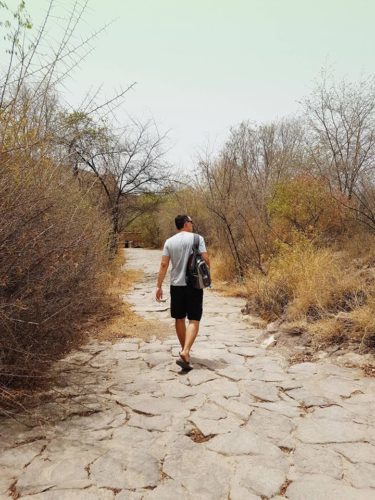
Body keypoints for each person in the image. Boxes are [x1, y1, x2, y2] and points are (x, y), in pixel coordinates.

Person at [155, 215, 209, 371]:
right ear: (186, 223)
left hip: (176, 285)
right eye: (191, 222)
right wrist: (207, 277)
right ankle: (185, 351)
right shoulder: (198, 239)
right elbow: (205, 259)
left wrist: (158, 286)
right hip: (193, 285)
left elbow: (164, 264)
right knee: (194, 319)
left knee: (179, 318)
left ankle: (185, 352)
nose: (192, 224)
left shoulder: (169, 242)